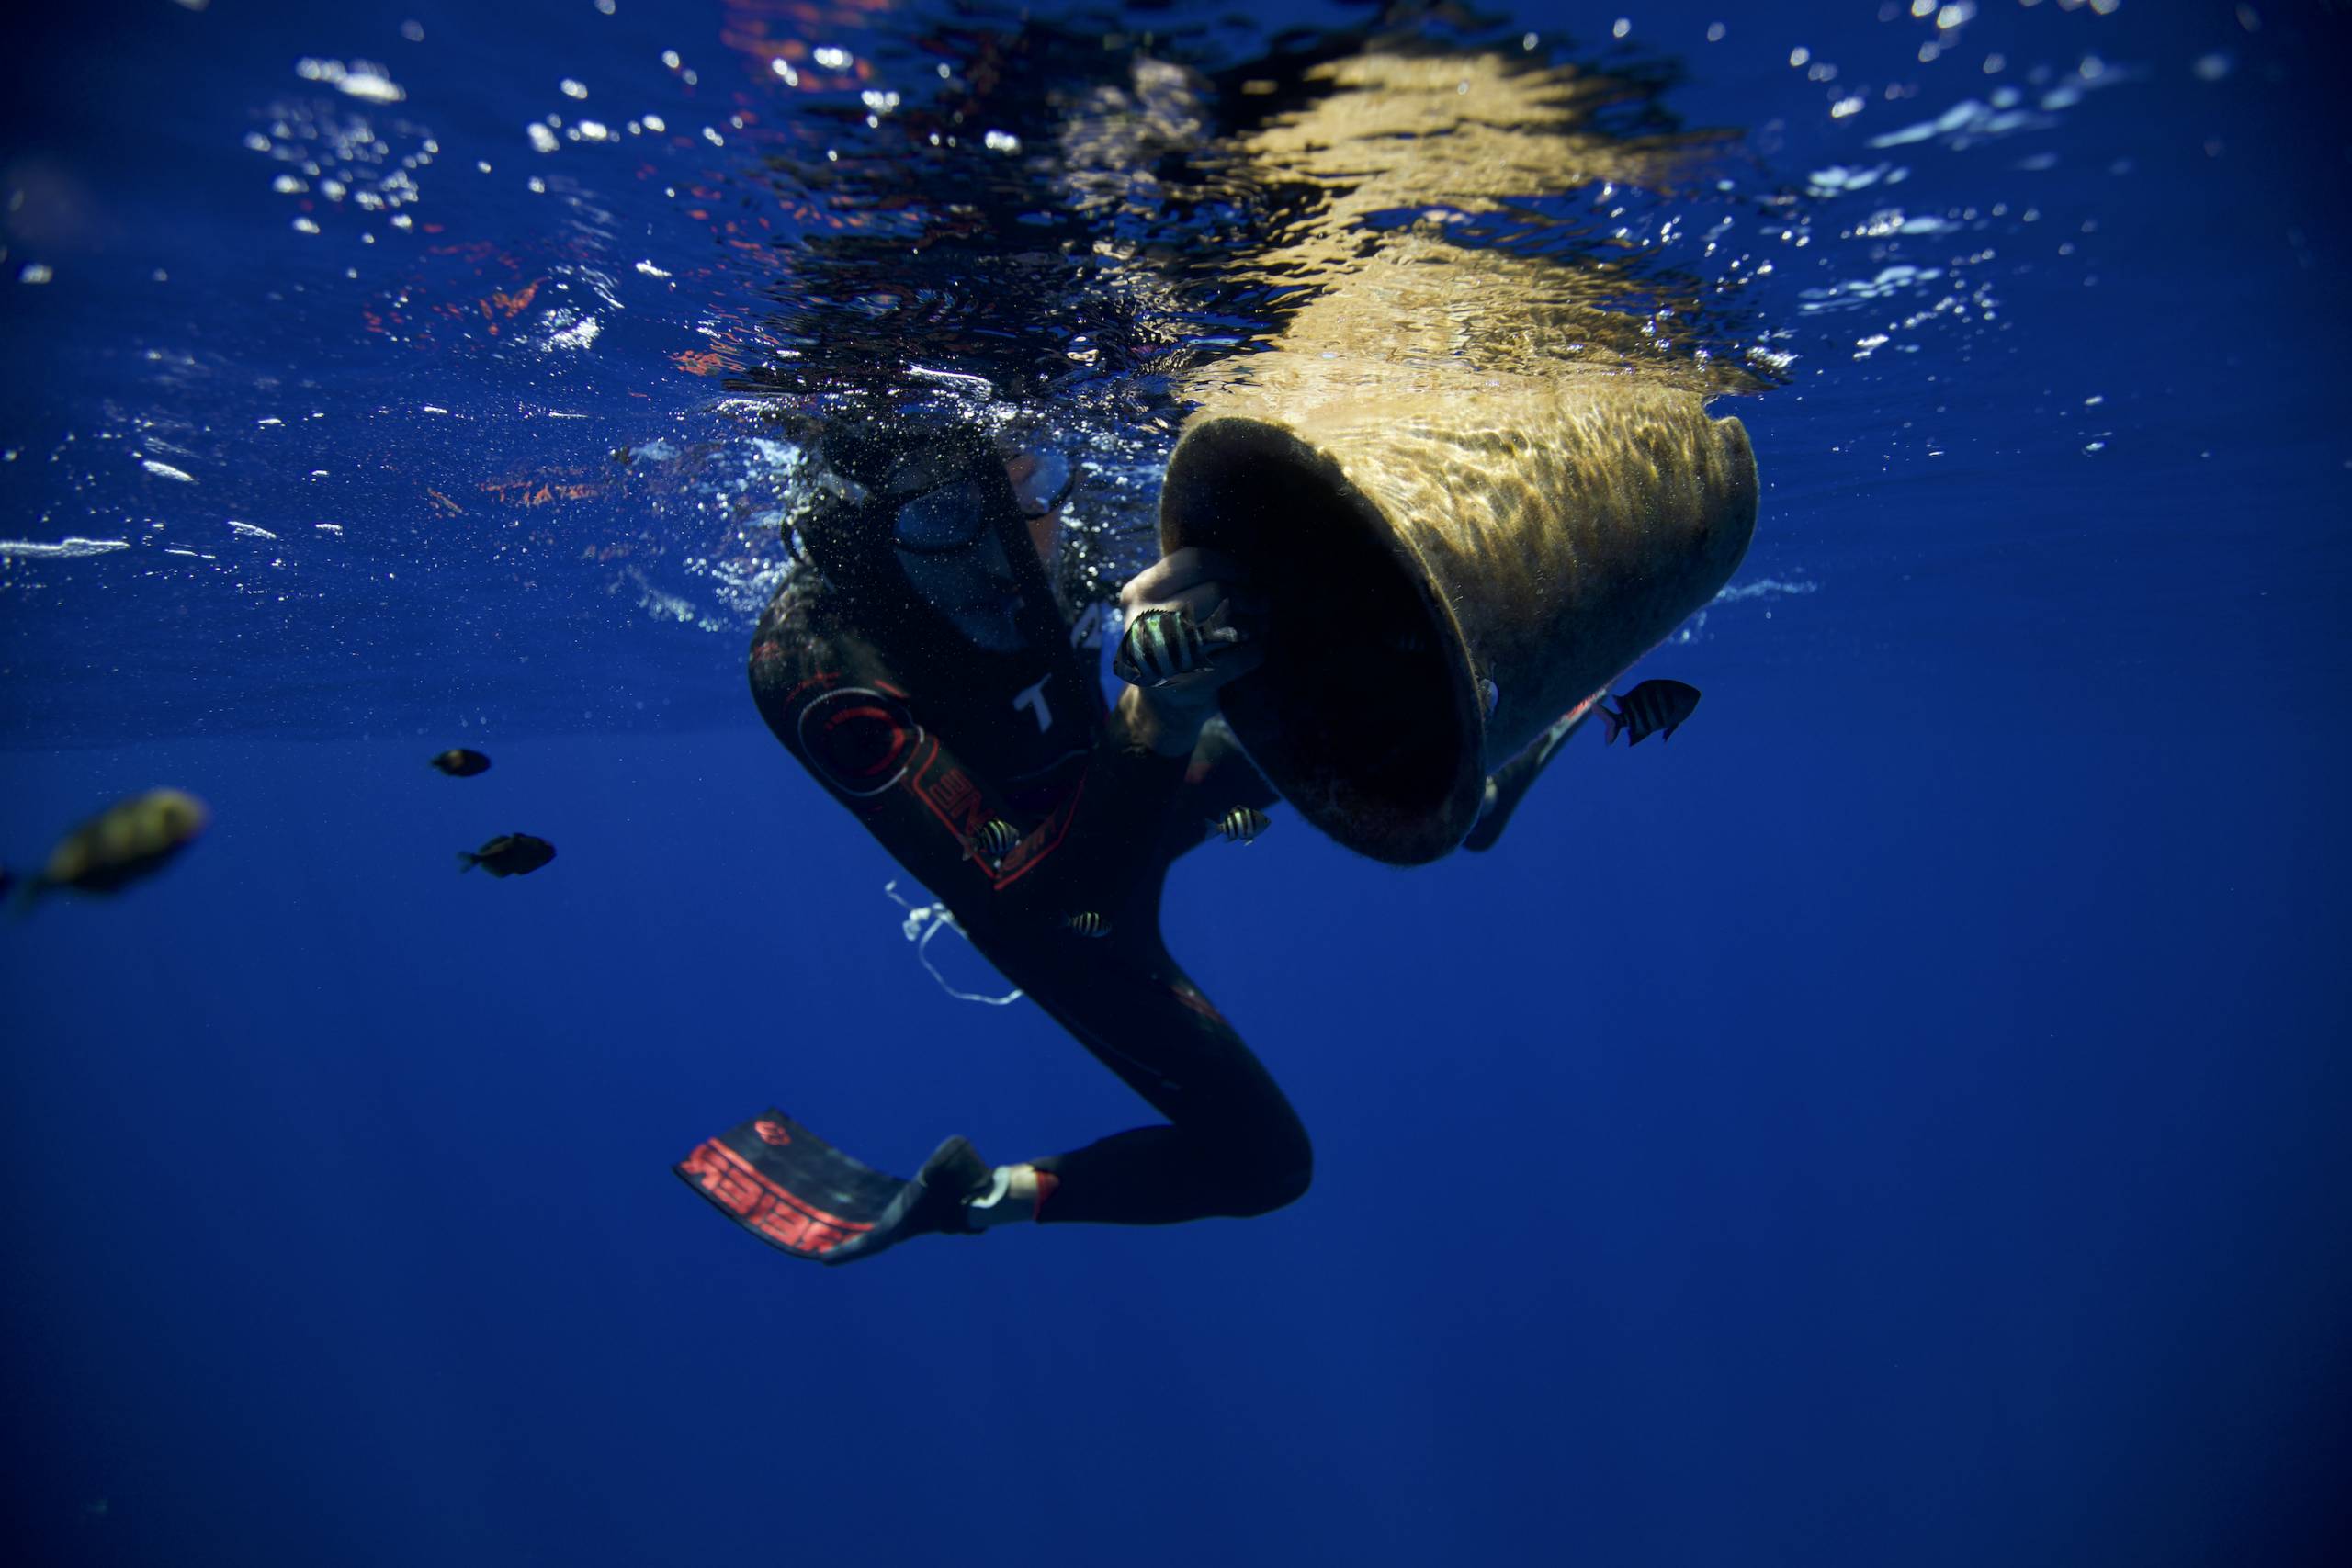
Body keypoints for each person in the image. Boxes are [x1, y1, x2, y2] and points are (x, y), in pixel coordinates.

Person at [676, 411, 1306, 1264]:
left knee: (1320, 700)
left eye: (1030, 490)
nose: (1007, 551)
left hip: (1132, 782)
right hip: (1052, 910)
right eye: (943, 517)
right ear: (864, 525)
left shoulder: (1063, 519)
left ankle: (1445, 795)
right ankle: (973, 1199)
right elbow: (1041, 901)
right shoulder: (817, 658)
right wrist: (1162, 712)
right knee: (1265, 1164)